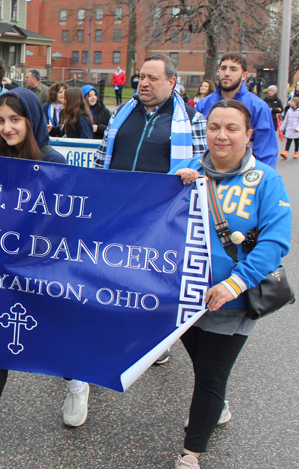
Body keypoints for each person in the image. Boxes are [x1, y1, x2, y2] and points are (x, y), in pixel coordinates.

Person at [0, 89, 90, 465]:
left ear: (32, 121)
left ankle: (75, 380)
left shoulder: (54, 161)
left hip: (47, 269)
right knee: (1, 339)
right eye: (2, 120)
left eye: (15, 119)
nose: (7, 128)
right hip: (6, 273)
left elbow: (75, 218)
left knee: (53, 333)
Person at [170, 98, 291, 469]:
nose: (221, 136)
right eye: (214, 127)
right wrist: (173, 186)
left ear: (249, 135)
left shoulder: (266, 180)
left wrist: (235, 284)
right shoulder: (189, 169)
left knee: (209, 376)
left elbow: (275, 241)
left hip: (232, 302)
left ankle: (191, 454)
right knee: (201, 362)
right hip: (186, 298)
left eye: (232, 128)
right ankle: (217, 405)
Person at [94, 54, 207, 365]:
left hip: (159, 222)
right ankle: (111, 335)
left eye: (152, 78)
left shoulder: (193, 121)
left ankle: (155, 340)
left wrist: (195, 175)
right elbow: (101, 158)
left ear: (172, 82)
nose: (143, 83)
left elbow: (203, 165)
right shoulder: (122, 114)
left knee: (150, 283)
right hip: (117, 214)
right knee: (112, 277)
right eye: (141, 76)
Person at [196, 52, 278, 169]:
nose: (227, 73)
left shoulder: (259, 107)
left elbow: (266, 151)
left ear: (244, 75)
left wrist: (259, 179)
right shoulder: (203, 105)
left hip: (245, 176)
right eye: (223, 68)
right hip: (208, 174)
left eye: (233, 69)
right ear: (218, 71)